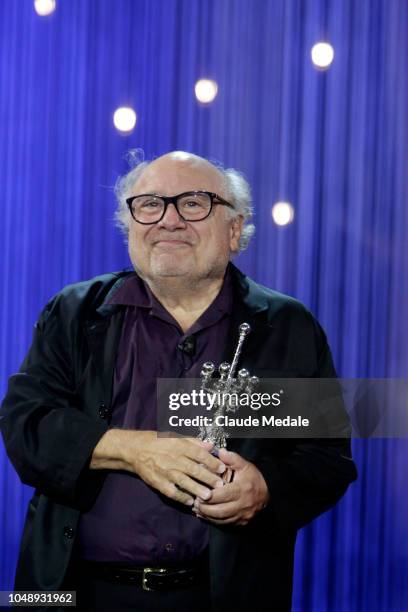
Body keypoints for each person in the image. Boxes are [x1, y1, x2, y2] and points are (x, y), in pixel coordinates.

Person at [0, 151, 357, 611]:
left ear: (234, 230)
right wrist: (134, 450)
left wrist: (266, 488)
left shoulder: (288, 326)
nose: (168, 220)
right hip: (72, 591)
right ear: (130, 225)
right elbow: (26, 427)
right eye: (149, 204)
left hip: (223, 597)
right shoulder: (73, 311)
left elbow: (327, 459)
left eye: (193, 203)